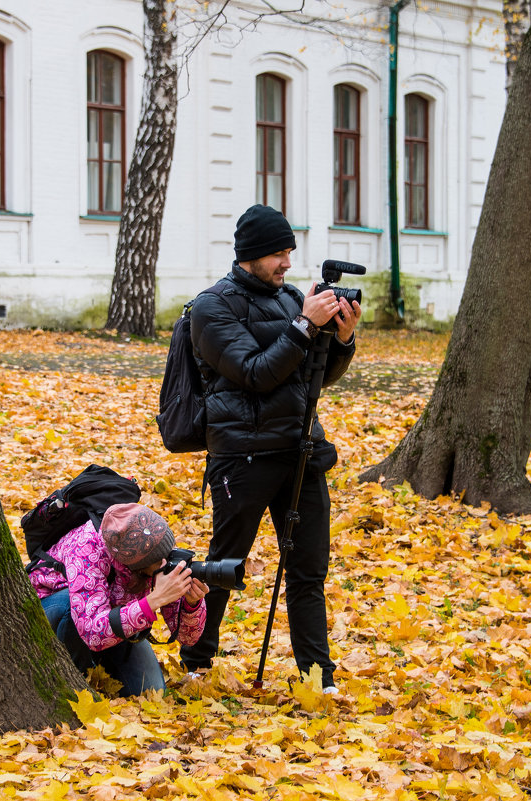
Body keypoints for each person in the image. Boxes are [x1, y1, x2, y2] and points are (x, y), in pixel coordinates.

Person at [179, 204, 362, 691]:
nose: (286, 263)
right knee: (225, 561)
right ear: (251, 255)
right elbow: (256, 373)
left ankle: (317, 677)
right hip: (242, 456)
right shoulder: (212, 308)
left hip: (300, 452)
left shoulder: (290, 299)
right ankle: (196, 660)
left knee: (307, 569)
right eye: (278, 254)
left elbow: (312, 378)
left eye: (289, 252)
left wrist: (341, 339)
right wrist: (303, 326)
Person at [29, 502, 208, 696]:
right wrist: (154, 600)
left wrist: (192, 605)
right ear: (137, 565)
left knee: (150, 691)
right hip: (54, 609)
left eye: (169, 553)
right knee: (69, 609)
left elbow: (187, 638)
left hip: (114, 619)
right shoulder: (87, 549)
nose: (167, 562)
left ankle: (103, 664)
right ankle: (73, 682)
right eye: (160, 561)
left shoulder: (155, 550)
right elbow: (91, 632)